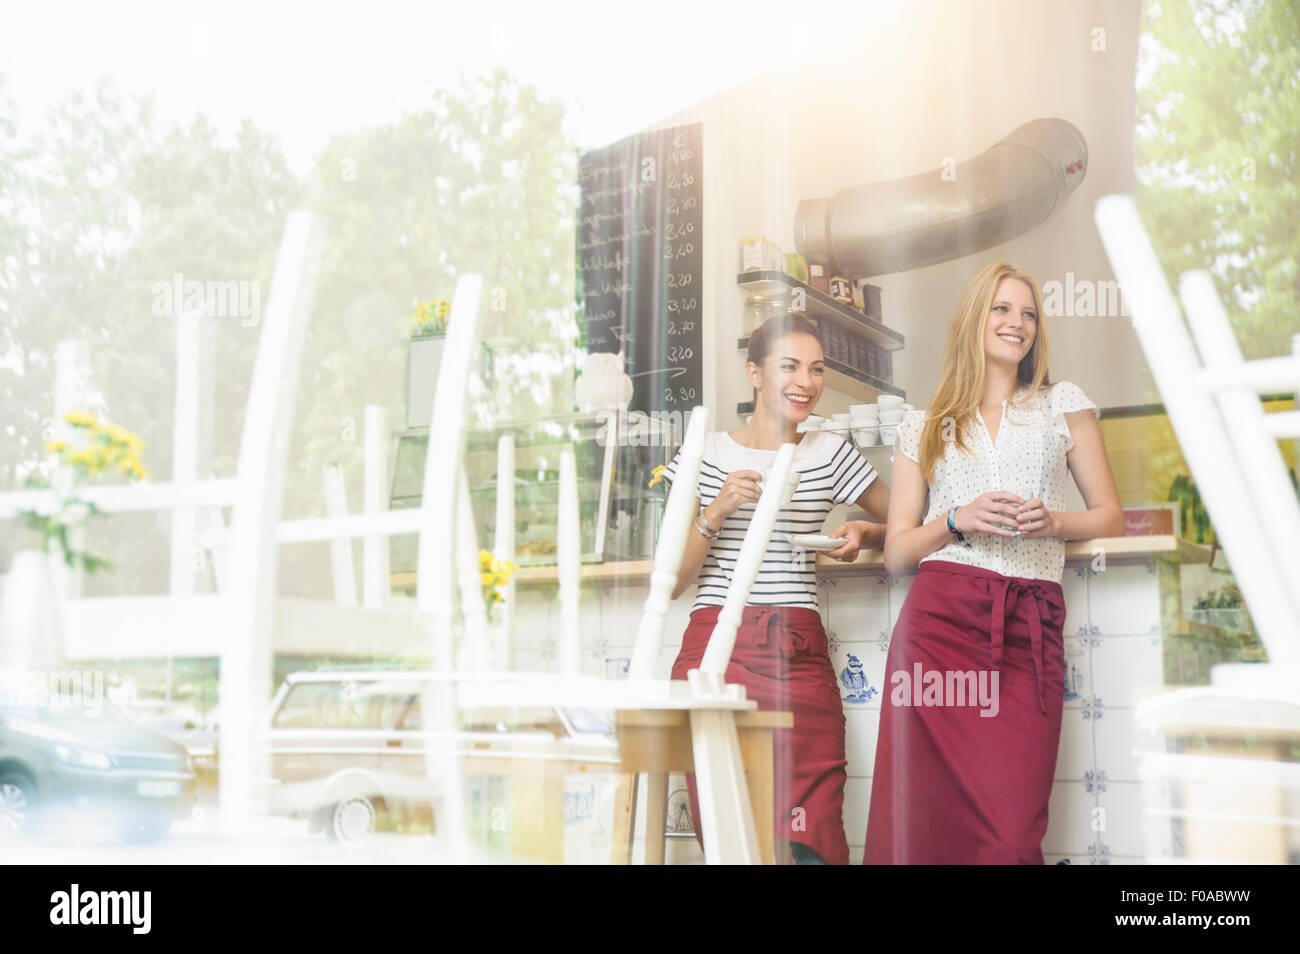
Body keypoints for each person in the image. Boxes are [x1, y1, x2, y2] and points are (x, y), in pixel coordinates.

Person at [863, 260, 1124, 864]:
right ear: (974, 319)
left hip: (1029, 622)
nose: (1017, 323)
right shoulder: (923, 426)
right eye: (1002, 309)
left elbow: (1109, 514)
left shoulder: (1064, 404)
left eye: (1029, 313)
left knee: (1010, 834)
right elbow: (899, 552)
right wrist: (957, 518)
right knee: (921, 826)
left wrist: (1056, 521)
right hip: (939, 627)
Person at [662, 311, 890, 865]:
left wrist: (867, 529)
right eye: (789, 366)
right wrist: (716, 510)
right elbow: (670, 579)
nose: (805, 382)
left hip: (798, 651)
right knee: (730, 826)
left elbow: (911, 524)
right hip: (716, 652)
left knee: (814, 828)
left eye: (816, 370)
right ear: (755, 374)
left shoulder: (830, 452)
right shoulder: (705, 454)